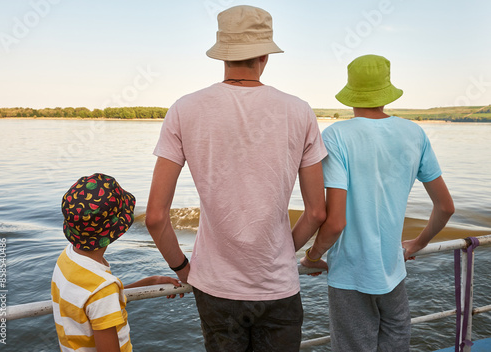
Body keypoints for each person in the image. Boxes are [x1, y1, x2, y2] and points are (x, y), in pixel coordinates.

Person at [145, 5, 327, 351]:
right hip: (278, 287)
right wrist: (281, 254)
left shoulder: (184, 109)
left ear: (222, 55)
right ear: (264, 55)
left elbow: (155, 217)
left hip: (215, 287)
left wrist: (184, 269)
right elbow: (317, 213)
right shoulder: (300, 111)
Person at [300, 55, 455, 351]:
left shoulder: (336, 136)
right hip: (393, 270)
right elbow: (446, 207)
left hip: (350, 274)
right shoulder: (414, 133)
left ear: (351, 92)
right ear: (386, 91)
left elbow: (335, 222)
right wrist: (418, 243)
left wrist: (312, 255)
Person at [52, 173, 183, 352]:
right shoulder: (102, 290)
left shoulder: (67, 259)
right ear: (117, 229)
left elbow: (92, 300)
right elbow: (101, 298)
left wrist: (150, 282)